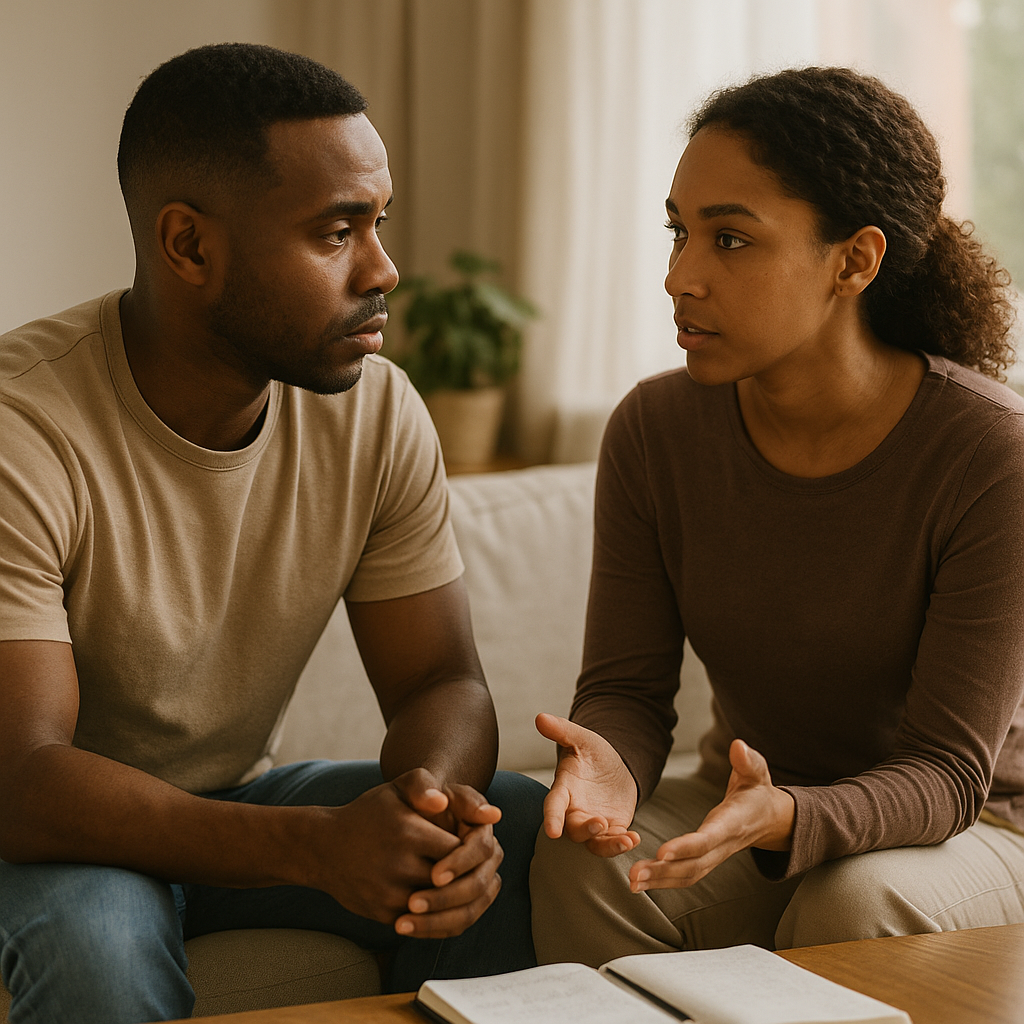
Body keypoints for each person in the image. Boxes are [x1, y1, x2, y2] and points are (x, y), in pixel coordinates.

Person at [0, 42, 545, 1024]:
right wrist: (313, 847)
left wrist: (424, 814)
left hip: (232, 797)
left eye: (380, 224)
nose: (384, 269)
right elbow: (23, 778)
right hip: (50, 834)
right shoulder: (23, 428)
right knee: (98, 948)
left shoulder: (375, 411)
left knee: (515, 816)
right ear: (189, 246)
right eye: (338, 232)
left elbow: (440, 681)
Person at [530, 66, 1024, 967]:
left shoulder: (991, 454)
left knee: (856, 895)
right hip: (755, 804)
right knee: (582, 865)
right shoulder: (654, 430)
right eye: (679, 232)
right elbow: (629, 692)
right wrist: (609, 764)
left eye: (730, 239)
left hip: (980, 824)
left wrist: (793, 816)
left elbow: (951, 773)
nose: (681, 276)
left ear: (856, 261)